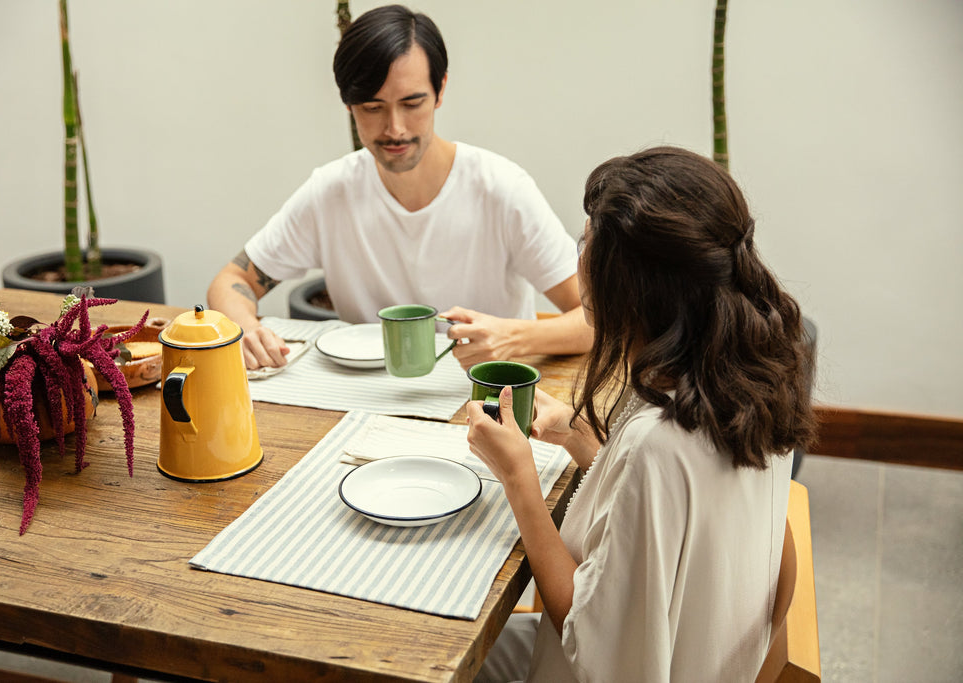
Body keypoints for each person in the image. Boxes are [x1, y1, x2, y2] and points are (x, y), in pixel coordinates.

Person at [467, 147, 817, 682]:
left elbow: (592, 642)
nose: (579, 257)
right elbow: (664, 526)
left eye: (587, 242)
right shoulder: (749, 381)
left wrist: (518, 477)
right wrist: (579, 438)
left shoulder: (656, 444)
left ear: (633, 289)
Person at [207, 4, 593, 370]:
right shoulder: (331, 192)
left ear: (440, 90)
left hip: (487, 400)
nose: (394, 128)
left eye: (412, 103)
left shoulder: (501, 190)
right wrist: (246, 329)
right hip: (366, 399)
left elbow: (600, 321)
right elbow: (232, 280)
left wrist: (514, 337)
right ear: (348, 104)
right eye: (372, 108)